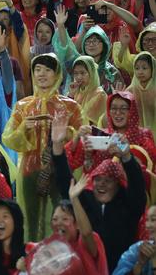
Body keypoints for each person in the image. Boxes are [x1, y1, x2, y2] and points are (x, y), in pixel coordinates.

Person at [53, 108, 146, 271]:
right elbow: (65, 183)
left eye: (108, 180)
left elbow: (138, 187)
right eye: (97, 180)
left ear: (118, 184)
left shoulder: (129, 204)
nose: (101, 184)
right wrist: (57, 146)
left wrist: (126, 157)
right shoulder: (87, 200)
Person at [2, 53, 82, 242]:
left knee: (59, 218)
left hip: (60, 171)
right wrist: (23, 128)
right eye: (37, 69)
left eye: (47, 70)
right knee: (28, 219)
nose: (41, 74)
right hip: (29, 171)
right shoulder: (23, 106)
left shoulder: (70, 106)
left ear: (57, 74)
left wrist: (64, 134)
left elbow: (80, 138)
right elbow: (8, 138)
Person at [112, 205, 156, 275]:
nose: (148, 225)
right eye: (147, 219)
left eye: (153, 220)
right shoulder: (137, 249)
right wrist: (140, 264)